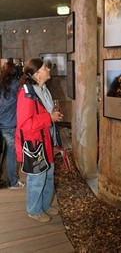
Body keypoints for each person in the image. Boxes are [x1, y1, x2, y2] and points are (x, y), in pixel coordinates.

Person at [15, 58, 64, 222]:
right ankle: (34, 210)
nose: (48, 70)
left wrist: (52, 117)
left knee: (48, 175)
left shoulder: (42, 89)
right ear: (36, 74)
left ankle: (45, 205)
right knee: (37, 179)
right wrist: (49, 117)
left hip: (46, 140)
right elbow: (25, 125)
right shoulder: (26, 94)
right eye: (45, 68)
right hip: (34, 144)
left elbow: (44, 113)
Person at [0, 62, 25, 189]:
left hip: (2, 122)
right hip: (9, 124)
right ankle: (12, 182)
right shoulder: (16, 85)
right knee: (12, 153)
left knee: (5, 152)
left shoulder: (1, 84)